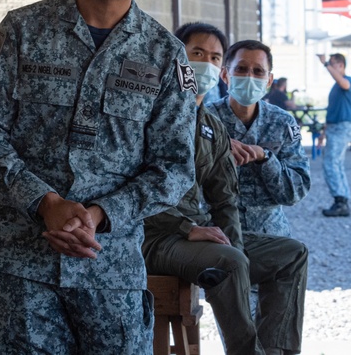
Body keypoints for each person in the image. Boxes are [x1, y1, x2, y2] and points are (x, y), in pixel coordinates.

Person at [0, 0, 196, 354]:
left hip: (110, 269)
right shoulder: (22, 31)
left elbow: (174, 167)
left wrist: (99, 214)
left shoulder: (165, 55)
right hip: (21, 263)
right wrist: (45, 202)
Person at [143, 23, 307, 355]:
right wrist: (190, 228)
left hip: (201, 234)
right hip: (156, 236)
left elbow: (224, 197)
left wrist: (233, 238)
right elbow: (138, 189)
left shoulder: (208, 124)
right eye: (197, 53)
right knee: (230, 262)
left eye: (214, 56)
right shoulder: (150, 113)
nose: (205, 63)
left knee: (292, 254)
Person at [207, 41, 311, 236]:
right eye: (241, 69)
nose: (249, 76)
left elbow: (295, 192)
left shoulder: (282, 122)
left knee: (296, 257)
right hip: (216, 234)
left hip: (270, 234)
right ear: (224, 75)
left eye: (258, 71)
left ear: (269, 80)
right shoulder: (204, 120)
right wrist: (216, 148)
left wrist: (265, 158)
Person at [317, 53, 351, 217]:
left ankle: (340, 201)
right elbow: (332, 111)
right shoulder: (336, 87)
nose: (330, 67)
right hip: (334, 127)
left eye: (333, 64)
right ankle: (343, 201)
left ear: (341, 65)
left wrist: (325, 64)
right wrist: (323, 133)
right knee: (336, 164)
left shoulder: (346, 81)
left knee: (331, 164)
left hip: (340, 127)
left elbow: (343, 83)